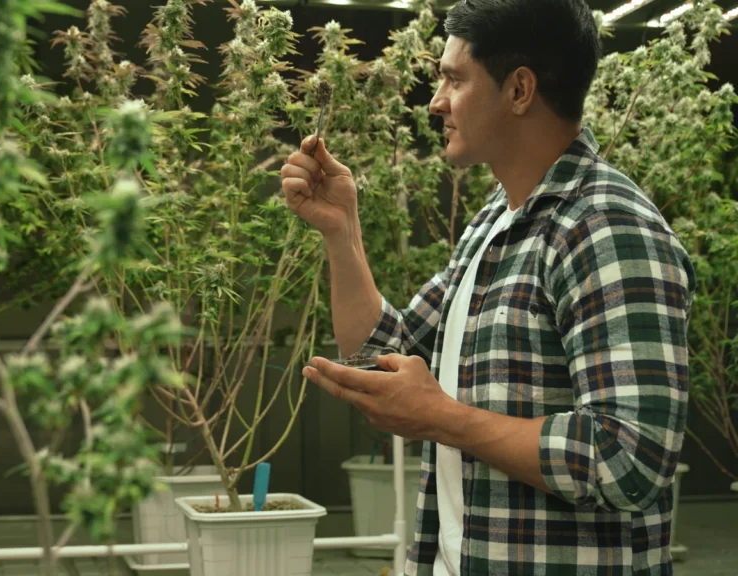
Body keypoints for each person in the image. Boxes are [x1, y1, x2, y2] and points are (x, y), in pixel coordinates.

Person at [282, 0, 695, 574]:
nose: (436, 102)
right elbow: (383, 355)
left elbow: (630, 459)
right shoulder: (493, 223)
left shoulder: (607, 229)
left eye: (455, 78)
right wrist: (341, 230)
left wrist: (443, 418)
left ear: (520, 90)